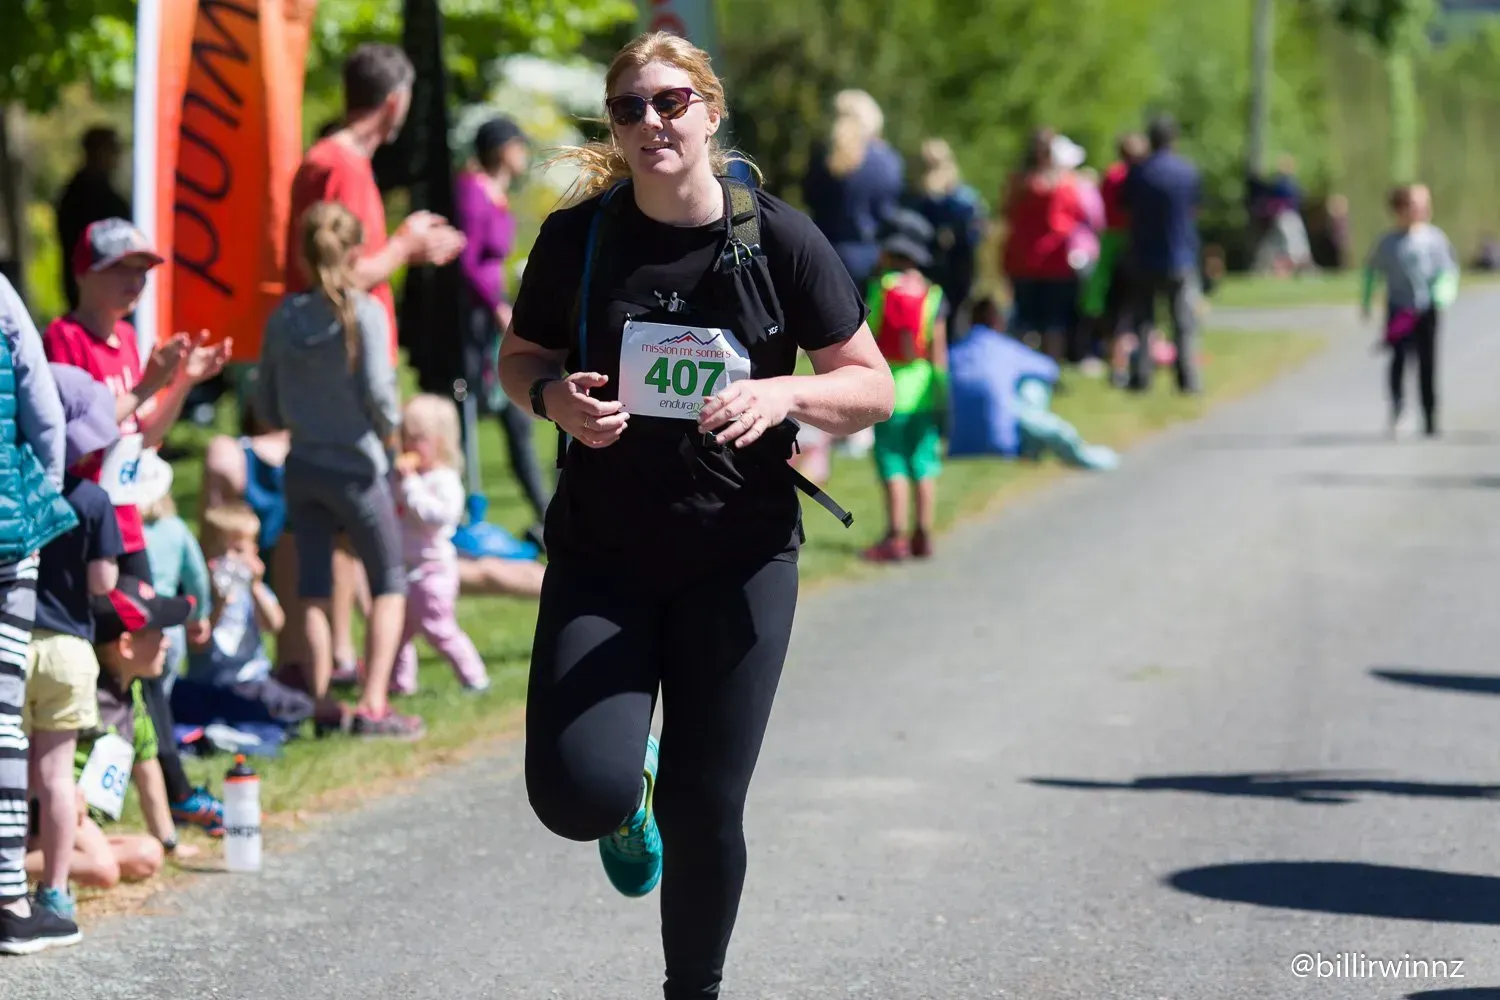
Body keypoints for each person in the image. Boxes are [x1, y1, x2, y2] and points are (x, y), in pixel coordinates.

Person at [497, 31, 893, 999]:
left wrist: (785, 398)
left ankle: (694, 987)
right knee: (573, 793)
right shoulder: (579, 238)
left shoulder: (776, 239)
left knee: (708, 805)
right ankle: (624, 790)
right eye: (629, 108)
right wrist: (555, 401)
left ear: (710, 112)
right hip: (605, 554)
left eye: (671, 102)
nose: (650, 123)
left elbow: (872, 385)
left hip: (739, 556)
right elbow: (518, 359)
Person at [41, 217, 230, 838]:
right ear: (84, 273)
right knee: (100, 672)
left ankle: (164, 796)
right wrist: (151, 382)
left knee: (146, 662)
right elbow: (72, 442)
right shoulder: (62, 340)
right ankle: (90, 810)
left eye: (143, 271)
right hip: (83, 529)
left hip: (127, 525)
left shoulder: (126, 340)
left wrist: (181, 384)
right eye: (122, 269)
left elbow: (140, 436)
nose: (135, 283)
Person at [256, 202, 419, 739]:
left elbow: (268, 404)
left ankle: (324, 702)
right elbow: (378, 392)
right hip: (358, 468)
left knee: (315, 587)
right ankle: (373, 703)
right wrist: (391, 432)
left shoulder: (284, 317)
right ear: (355, 252)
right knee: (390, 578)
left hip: (302, 467)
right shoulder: (363, 311)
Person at [24, 363, 125, 924]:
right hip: (69, 649)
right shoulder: (92, 500)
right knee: (56, 776)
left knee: (10, 773)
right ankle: (57, 892)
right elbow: (103, 585)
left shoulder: (16, 491)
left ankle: (9, 877)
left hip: (14, 641)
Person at [0, 273, 77, 956]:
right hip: (6, 534)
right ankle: (10, 899)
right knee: (3, 721)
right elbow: (44, 413)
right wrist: (39, 504)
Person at [454, 116, 552, 536]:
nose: (524, 154)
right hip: (477, 322)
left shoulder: (496, 196)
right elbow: (466, 258)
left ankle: (547, 517)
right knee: (468, 414)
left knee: (517, 416)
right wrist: (495, 305)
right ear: (501, 148)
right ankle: (452, 513)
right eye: (518, 145)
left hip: (495, 315)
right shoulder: (472, 193)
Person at [175, 504, 347, 733]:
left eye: (238, 551)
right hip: (209, 683)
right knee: (180, 699)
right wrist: (219, 604)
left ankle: (234, 725)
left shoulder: (253, 590)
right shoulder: (201, 593)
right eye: (220, 552)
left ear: (253, 553)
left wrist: (255, 586)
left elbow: (275, 624)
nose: (229, 559)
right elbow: (198, 644)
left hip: (250, 682)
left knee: (297, 704)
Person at [861, 215, 948, 562]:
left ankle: (895, 537)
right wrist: (942, 393)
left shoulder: (880, 288)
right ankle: (923, 534)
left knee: (892, 461)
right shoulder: (934, 293)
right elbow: (939, 351)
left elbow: (867, 336)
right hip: (925, 387)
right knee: (924, 462)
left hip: (890, 389)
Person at [390, 395, 490, 696]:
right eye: (405, 438)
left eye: (418, 439)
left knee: (438, 628)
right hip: (406, 568)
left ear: (441, 442)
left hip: (433, 571)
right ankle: (400, 683)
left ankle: (474, 677)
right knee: (398, 630)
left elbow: (436, 517)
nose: (409, 446)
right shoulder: (409, 477)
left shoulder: (442, 480)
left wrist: (409, 487)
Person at [1360, 183, 1459, 438]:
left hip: (1426, 310)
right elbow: (1372, 271)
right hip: (1399, 311)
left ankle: (1430, 415)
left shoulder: (1434, 238)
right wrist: (1367, 301)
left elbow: (1447, 270)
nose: (1422, 210)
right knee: (1399, 360)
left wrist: (1442, 294)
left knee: (1428, 362)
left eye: (1425, 205)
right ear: (1400, 209)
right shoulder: (1388, 242)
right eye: (1415, 205)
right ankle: (1398, 409)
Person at [1122, 114, 1202, 394]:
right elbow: (1195, 208)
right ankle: (1187, 379)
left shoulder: (1139, 173)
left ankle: (1142, 377)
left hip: (1144, 254)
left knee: (1144, 321)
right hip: (1179, 254)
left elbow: (1125, 207)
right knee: (1183, 322)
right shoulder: (1186, 171)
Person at [800, 89, 905, 289]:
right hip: (873, 260)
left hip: (824, 255)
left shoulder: (822, 157)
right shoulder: (888, 161)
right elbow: (889, 212)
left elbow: (809, 199)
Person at [1002, 128, 1088, 362]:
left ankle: (1020, 369)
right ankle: (1050, 371)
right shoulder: (1065, 184)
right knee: (1054, 322)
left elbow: (1007, 213)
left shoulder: (1018, 182)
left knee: (1023, 321)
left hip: (1022, 260)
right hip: (1054, 261)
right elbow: (1077, 216)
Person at [906, 138, 985, 339]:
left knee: (928, 313)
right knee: (954, 314)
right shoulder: (964, 196)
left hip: (933, 262)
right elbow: (977, 230)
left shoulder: (918, 197)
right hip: (958, 263)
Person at [55, 127, 131, 312]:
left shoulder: (79, 191)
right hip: (93, 290)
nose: (117, 158)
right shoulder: (83, 195)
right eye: (113, 150)